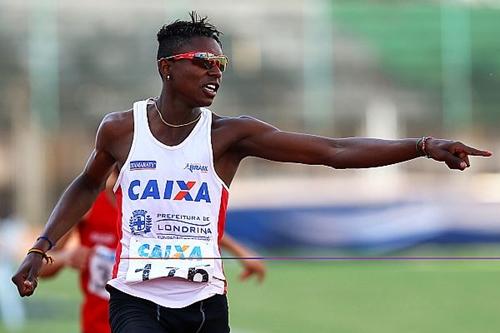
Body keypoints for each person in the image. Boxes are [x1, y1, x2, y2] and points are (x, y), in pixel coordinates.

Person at [12, 12, 491, 333]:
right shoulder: (120, 130)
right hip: (135, 298)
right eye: (202, 62)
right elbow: (87, 183)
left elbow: (334, 150)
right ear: (166, 68)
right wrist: (41, 247)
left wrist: (422, 146)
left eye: (221, 63)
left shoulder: (230, 136)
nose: (215, 72)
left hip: (204, 304)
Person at [39, 171, 265, 333]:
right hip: (99, 325)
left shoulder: (156, 203)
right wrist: (66, 258)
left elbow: (197, 230)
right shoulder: (88, 207)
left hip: (155, 319)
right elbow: (40, 268)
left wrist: (241, 252)